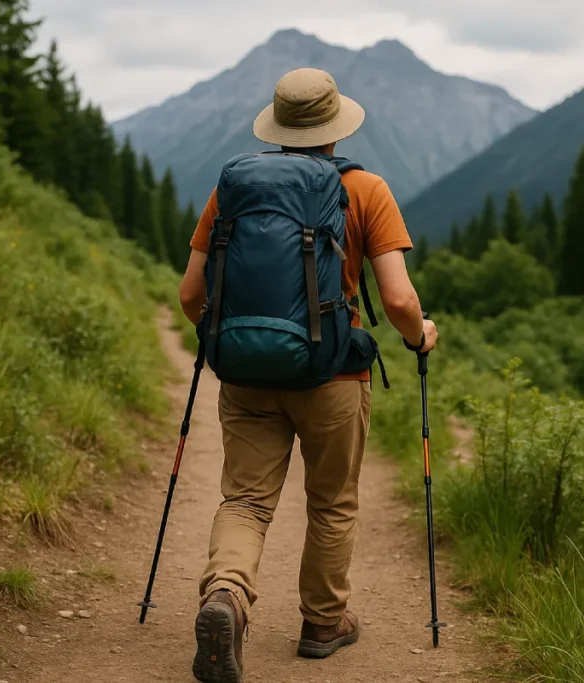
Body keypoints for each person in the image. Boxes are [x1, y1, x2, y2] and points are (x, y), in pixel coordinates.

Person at [178, 67, 439, 683]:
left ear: (279, 127)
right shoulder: (367, 189)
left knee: (245, 499)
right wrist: (420, 335)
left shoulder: (233, 190)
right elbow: (399, 301)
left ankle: (227, 597)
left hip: (246, 375)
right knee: (331, 502)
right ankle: (323, 623)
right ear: (333, 127)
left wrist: (232, 337)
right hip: (333, 379)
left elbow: (192, 295)